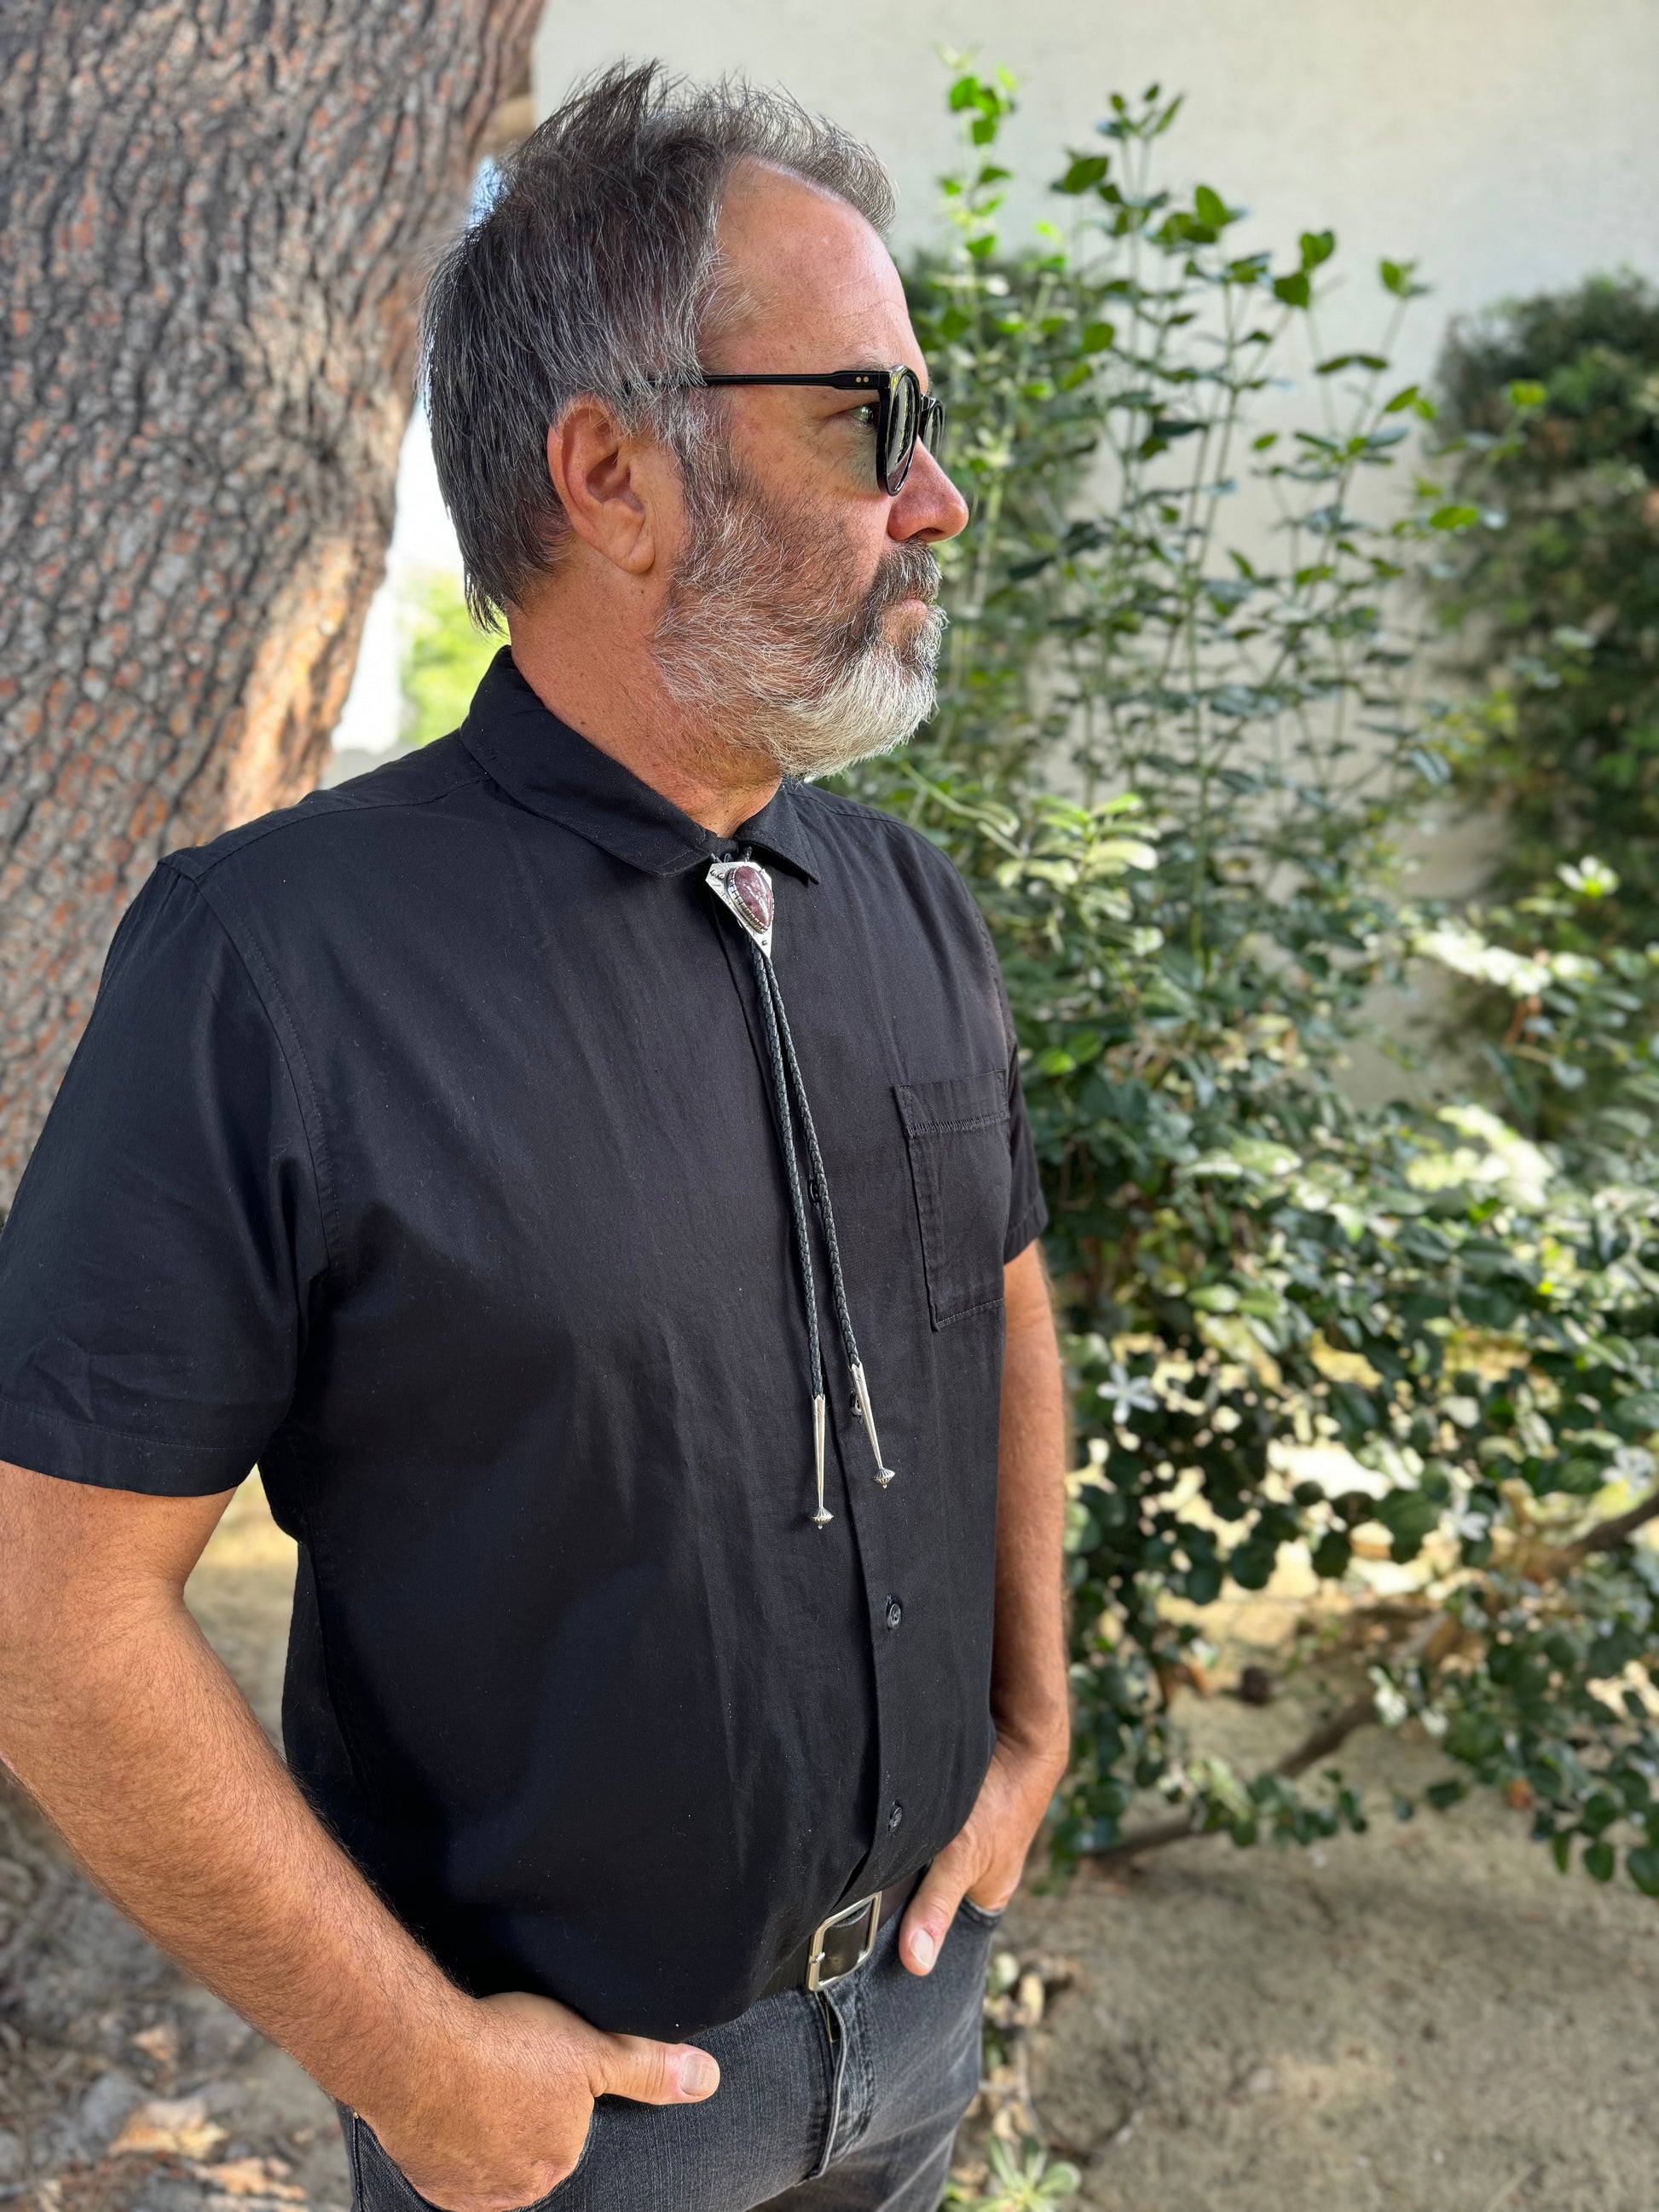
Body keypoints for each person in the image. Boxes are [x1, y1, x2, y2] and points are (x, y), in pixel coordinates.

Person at [0, 64, 1068, 2212]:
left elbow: (998, 1292)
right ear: (612, 474)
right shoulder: (276, 962)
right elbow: (51, 1605)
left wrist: (1032, 1722)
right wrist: (411, 2056)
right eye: (869, 419)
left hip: (920, 2027)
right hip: (567, 2129)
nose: (938, 498)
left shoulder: (910, 907)